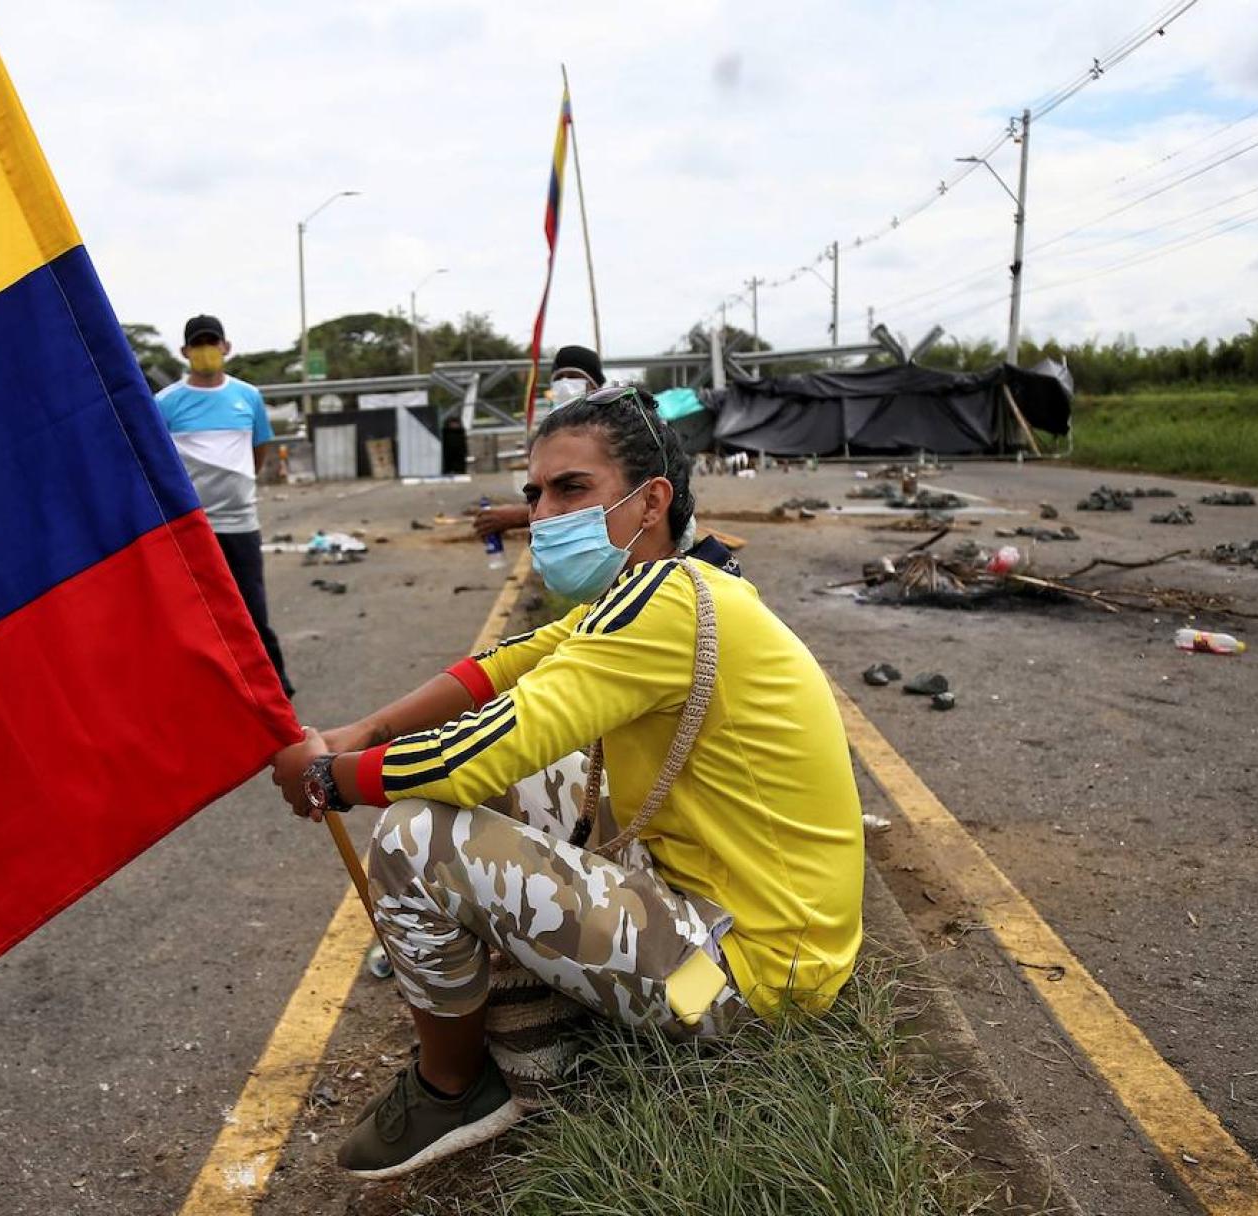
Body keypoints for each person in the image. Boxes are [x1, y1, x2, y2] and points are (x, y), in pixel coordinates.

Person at [271, 385, 863, 1178]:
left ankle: (452, 1086)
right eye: (535, 494)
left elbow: (474, 754)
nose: (544, 515)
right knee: (535, 772)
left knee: (415, 838)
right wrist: (366, 732)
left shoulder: (664, 606)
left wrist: (330, 777)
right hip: (758, 918)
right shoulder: (679, 586)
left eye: (571, 489)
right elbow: (508, 664)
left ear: (651, 500)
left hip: (755, 976)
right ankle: (546, 1028)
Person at [155, 314, 295, 697]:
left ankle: (274, 690)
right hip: (191, 529)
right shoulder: (164, 403)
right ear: (184, 352)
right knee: (194, 615)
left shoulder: (248, 396)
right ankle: (206, 691)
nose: (206, 351)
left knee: (252, 612)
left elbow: (259, 449)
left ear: (226, 347)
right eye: (198, 344)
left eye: (211, 342)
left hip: (242, 524)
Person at [472, 343, 606, 541]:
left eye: (574, 377)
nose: (565, 384)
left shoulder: (612, 432)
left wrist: (517, 516)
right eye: (559, 378)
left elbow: (605, 503)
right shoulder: (548, 435)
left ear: (595, 386)